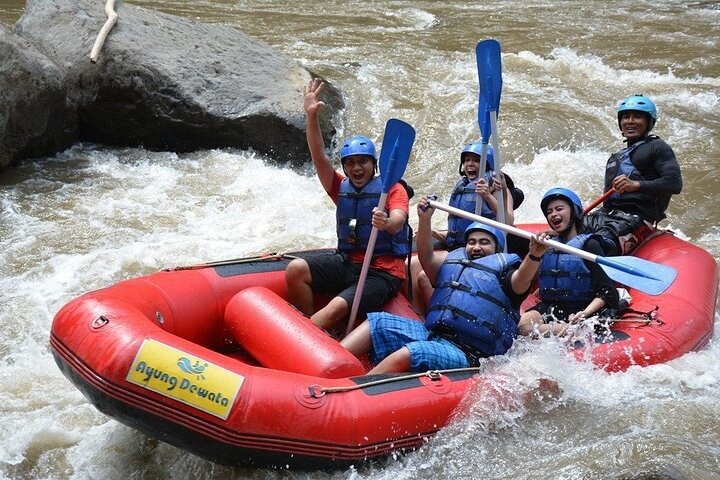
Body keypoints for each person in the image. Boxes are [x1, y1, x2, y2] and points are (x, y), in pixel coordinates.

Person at [340, 196, 546, 373]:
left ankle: (351, 393)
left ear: (497, 249)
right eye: (472, 242)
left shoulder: (506, 275)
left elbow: (523, 277)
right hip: (435, 335)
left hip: (470, 354)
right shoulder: (454, 264)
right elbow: (426, 256)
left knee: (411, 353)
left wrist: (534, 255)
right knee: (377, 323)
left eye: (484, 242)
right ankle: (330, 366)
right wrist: (424, 219)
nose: (476, 247)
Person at [284, 78, 411, 332]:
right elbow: (318, 154)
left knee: (335, 307)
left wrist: (385, 222)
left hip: (382, 273)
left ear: (373, 164)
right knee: (296, 269)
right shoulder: (340, 187)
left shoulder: (392, 189)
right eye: (350, 163)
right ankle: (320, 335)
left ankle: (304, 338)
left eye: (362, 162)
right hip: (348, 264)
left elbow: (398, 219)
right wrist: (311, 116)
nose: (356, 168)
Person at [408, 141, 525, 311]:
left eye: (476, 160)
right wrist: (435, 233)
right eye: (467, 160)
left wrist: (487, 196)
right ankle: (418, 314)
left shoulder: (499, 185)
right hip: (460, 246)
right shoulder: (462, 187)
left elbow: (507, 222)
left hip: (485, 250)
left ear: (487, 163)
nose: (470, 164)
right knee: (412, 265)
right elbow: (459, 228)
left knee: (424, 277)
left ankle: (440, 314)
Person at [585, 94, 682, 256]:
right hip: (607, 216)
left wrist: (635, 185)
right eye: (625, 117)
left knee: (594, 244)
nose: (630, 121)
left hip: (636, 219)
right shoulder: (616, 157)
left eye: (637, 117)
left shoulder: (657, 147)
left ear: (649, 122)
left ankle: (603, 282)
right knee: (566, 231)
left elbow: (674, 183)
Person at [518, 188, 620, 337]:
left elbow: (608, 291)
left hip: (581, 309)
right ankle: (563, 331)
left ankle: (570, 331)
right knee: (522, 327)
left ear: (574, 212)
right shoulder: (548, 244)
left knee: (533, 331)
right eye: (549, 211)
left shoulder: (589, 245)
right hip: (552, 307)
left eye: (559, 209)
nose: (553, 214)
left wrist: (585, 313)